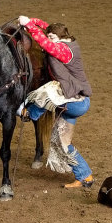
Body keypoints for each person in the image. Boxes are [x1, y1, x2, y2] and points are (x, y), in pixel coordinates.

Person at [17, 15, 94, 188]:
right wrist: (34, 21)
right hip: (73, 101)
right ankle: (85, 176)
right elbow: (47, 32)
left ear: (61, 38)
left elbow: (45, 43)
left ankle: (30, 113)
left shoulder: (65, 50)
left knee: (47, 91)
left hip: (75, 102)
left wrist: (28, 25)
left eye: (52, 37)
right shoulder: (64, 40)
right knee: (63, 143)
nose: (49, 39)